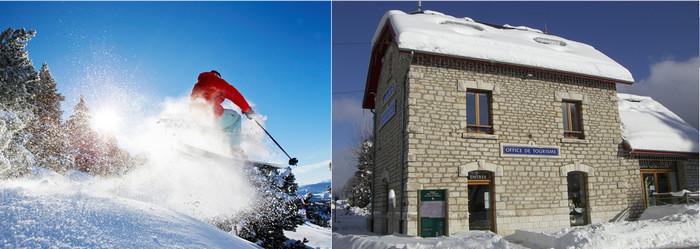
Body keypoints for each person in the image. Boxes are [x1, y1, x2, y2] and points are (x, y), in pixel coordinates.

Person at [190, 70, 255, 149]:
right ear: (217, 75)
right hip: (211, 115)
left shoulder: (197, 86)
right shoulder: (217, 81)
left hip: (197, 120)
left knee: (220, 129)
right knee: (236, 118)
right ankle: (234, 150)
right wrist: (247, 109)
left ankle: (215, 147)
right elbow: (234, 94)